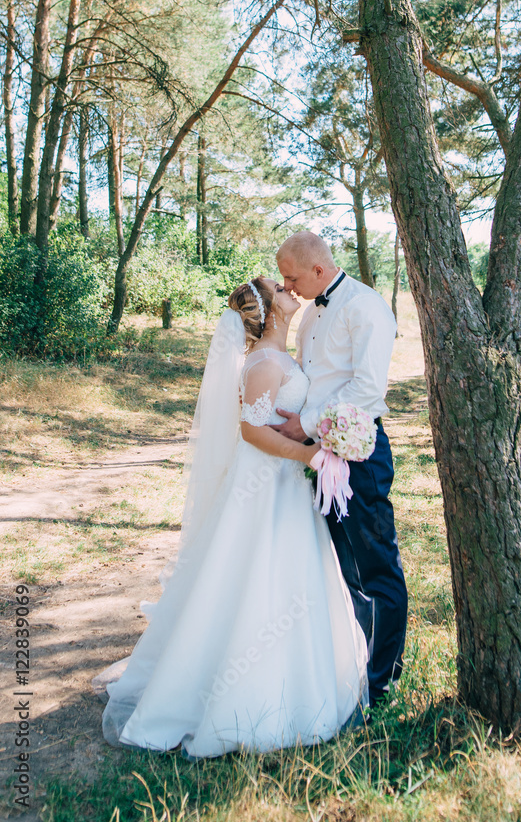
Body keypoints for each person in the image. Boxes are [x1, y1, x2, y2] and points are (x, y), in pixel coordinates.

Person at [92, 277, 367, 758]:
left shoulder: (282, 356)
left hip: (285, 485)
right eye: (281, 289)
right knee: (253, 575)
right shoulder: (262, 362)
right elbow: (250, 431)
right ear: (271, 310)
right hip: (265, 483)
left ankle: (300, 682)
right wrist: (308, 458)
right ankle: (236, 696)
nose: (291, 291)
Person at [274, 232, 408, 709]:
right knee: (345, 566)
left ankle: (382, 682)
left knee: (374, 568)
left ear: (317, 270)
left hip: (358, 453)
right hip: (318, 453)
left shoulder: (366, 308)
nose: (286, 286)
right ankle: (355, 665)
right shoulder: (311, 310)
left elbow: (367, 390)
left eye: (291, 276)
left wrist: (304, 425)